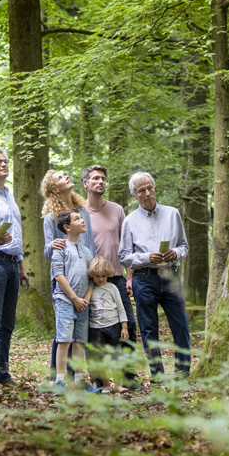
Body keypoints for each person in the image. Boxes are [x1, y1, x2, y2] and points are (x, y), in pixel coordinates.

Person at [119, 172, 191, 378]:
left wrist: (175, 252)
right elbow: (123, 256)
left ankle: (182, 373)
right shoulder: (130, 221)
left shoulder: (172, 214)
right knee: (149, 329)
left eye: (150, 188)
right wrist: (147, 257)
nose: (148, 193)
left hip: (170, 276)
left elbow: (184, 246)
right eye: (142, 190)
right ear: (135, 195)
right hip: (144, 278)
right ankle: (157, 376)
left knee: (181, 325)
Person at [81, 164, 143, 389]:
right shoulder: (79, 211)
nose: (100, 182)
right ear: (86, 183)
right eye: (95, 178)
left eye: (103, 178)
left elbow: (127, 246)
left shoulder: (117, 210)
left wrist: (129, 277)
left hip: (116, 277)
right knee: (92, 331)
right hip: (89, 281)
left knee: (129, 325)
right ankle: (99, 380)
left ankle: (128, 377)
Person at [40, 169, 97, 384]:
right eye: (61, 177)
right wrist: (52, 245)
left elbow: (89, 242)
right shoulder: (51, 217)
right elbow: (48, 251)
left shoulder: (83, 210)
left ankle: (80, 379)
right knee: (63, 333)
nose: (67, 177)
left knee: (80, 335)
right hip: (64, 279)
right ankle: (59, 379)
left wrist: (95, 269)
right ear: (54, 188)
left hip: (85, 273)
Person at [0, 147, 31, 389]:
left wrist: (21, 266)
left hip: (12, 264)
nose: (3, 165)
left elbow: (16, 232)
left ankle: (3, 374)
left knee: (8, 322)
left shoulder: (9, 193)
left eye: (5, 161)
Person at [51, 209, 98, 392]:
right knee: (64, 340)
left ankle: (79, 380)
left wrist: (85, 299)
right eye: (77, 219)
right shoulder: (61, 248)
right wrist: (74, 298)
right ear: (67, 227)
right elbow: (58, 275)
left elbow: (93, 278)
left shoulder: (86, 252)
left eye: (81, 217)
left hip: (83, 304)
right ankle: (60, 381)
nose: (82, 220)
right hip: (65, 300)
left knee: (79, 341)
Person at [87, 256, 129, 394]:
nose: (100, 279)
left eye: (104, 276)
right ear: (92, 275)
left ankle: (117, 385)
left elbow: (120, 307)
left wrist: (124, 327)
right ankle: (106, 385)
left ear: (108, 275)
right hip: (96, 328)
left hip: (113, 326)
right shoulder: (90, 289)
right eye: (97, 276)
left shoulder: (112, 288)